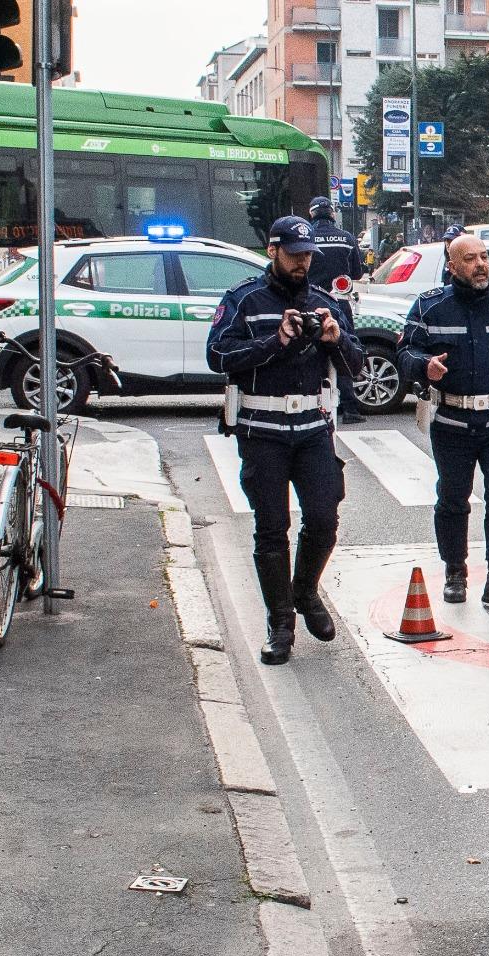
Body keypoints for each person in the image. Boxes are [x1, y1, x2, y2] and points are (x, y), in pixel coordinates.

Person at [207, 216, 362, 666]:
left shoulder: (325, 302)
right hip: (263, 431)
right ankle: (280, 623)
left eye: (308, 255)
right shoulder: (244, 300)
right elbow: (218, 355)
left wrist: (334, 339)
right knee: (271, 528)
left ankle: (306, 590)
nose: (303, 262)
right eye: (294, 255)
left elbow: (356, 365)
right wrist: (275, 341)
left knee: (324, 518)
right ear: (273, 251)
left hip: (313, 429)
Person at [398, 235, 489, 608]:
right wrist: (423, 366)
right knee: (452, 499)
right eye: (469, 259)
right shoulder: (431, 307)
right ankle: (455, 572)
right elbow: (405, 351)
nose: (480, 264)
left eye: (484, 257)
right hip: (451, 421)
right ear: (452, 266)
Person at [306, 195, 369, 425]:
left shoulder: (307, 238)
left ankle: (315, 404)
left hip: (310, 303)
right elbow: (357, 272)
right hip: (339, 303)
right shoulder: (346, 238)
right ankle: (350, 407)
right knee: (343, 350)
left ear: (311, 214)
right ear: (332, 214)